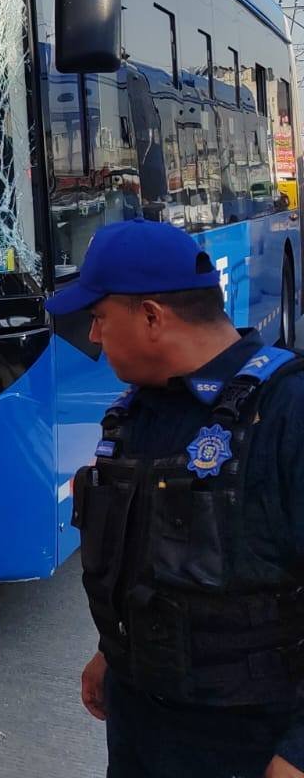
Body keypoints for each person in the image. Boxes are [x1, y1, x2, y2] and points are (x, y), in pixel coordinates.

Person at [56, 219, 304, 778]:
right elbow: (145, 555)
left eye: (99, 318)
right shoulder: (137, 411)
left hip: (248, 740)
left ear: (151, 316)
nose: (93, 336)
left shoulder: (286, 412)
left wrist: (299, 752)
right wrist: (113, 652)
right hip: (139, 722)